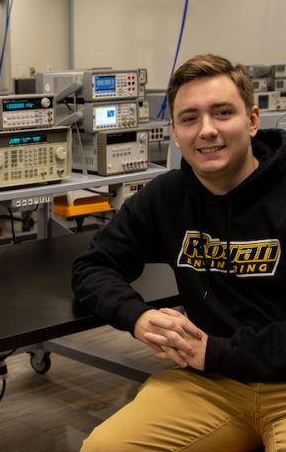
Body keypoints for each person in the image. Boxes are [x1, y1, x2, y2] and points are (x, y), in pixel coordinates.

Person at [71, 53, 286, 452]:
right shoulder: (167, 196)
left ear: (253, 120)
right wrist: (137, 316)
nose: (206, 130)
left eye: (222, 113)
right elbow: (93, 266)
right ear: (173, 130)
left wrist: (217, 352)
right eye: (190, 118)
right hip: (210, 384)